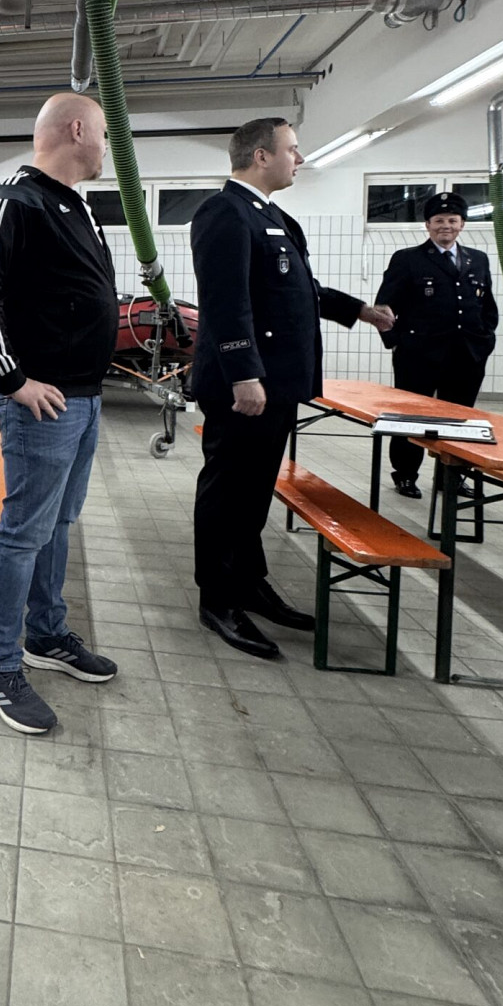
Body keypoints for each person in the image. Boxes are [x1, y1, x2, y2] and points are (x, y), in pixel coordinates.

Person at [190, 118, 395, 660]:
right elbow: (225, 302)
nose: (299, 159)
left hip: (276, 384)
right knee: (228, 490)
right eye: (293, 150)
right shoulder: (224, 212)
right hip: (246, 386)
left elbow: (300, 289)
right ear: (261, 156)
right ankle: (217, 597)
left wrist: (360, 310)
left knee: (255, 490)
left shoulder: (274, 217)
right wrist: (243, 373)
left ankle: (248, 582)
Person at [0, 93, 121, 734]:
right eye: (103, 133)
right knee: (24, 532)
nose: (106, 147)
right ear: (77, 130)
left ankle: (46, 635)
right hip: (44, 401)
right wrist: (12, 379)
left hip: (84, 395)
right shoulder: (14, 200)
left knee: (59, 523)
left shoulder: (75, 206)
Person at [376, 192, 498, 497]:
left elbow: (487, 307)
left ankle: (451, 477)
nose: (446, 226)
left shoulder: (477, 259)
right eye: (439, 220)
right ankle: (406, 474)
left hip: (466, 355)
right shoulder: (408, 259)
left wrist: (485, 340)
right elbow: (384, 307)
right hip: (419, 356)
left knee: (459, 420)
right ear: (428, 225)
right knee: (411, 417)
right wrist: (397, 344)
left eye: (452, 220)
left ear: (462, 224)